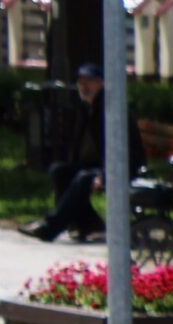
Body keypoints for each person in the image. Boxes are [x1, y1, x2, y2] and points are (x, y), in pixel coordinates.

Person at [19, 62, 144, 243]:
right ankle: (89, 224)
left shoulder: (109, 110)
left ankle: (50, 227)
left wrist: (103, 175)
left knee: (83, 178)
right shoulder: (88, 107)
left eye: (89, 81)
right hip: (101, 165)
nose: (84, 86)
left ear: (101, 83)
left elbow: (117, 148)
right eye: (80, 81)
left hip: (124, 166)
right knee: (60, 171)